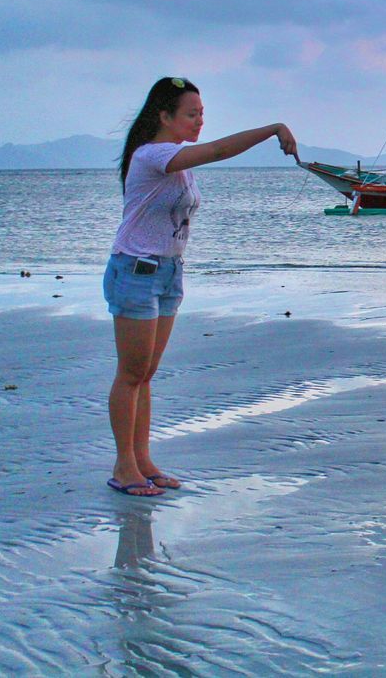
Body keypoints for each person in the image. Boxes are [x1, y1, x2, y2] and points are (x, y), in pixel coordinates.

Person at [104, 76, 298, 496]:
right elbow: (219, 150)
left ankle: (142, 459)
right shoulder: (152, 155)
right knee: (131, 372)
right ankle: (124, 467)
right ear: (164, 116)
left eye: (202, 114)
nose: (199, 122)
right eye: (191, 115)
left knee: (147, 373)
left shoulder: (178, 163)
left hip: (168, 273)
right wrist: (273, 128)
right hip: (136, 270)